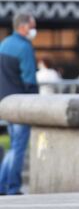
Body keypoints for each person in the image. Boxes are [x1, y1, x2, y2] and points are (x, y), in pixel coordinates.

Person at [0, 13, 38, 196]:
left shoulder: (4, 44)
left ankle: (2, 185)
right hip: (21, 104)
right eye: (32, 26)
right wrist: (36, 102)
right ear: (23, 27)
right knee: (19, 147)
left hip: (6, 103)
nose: (33, 30)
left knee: (13, 146)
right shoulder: (25, 48)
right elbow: (29, 79)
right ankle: (13, 187)